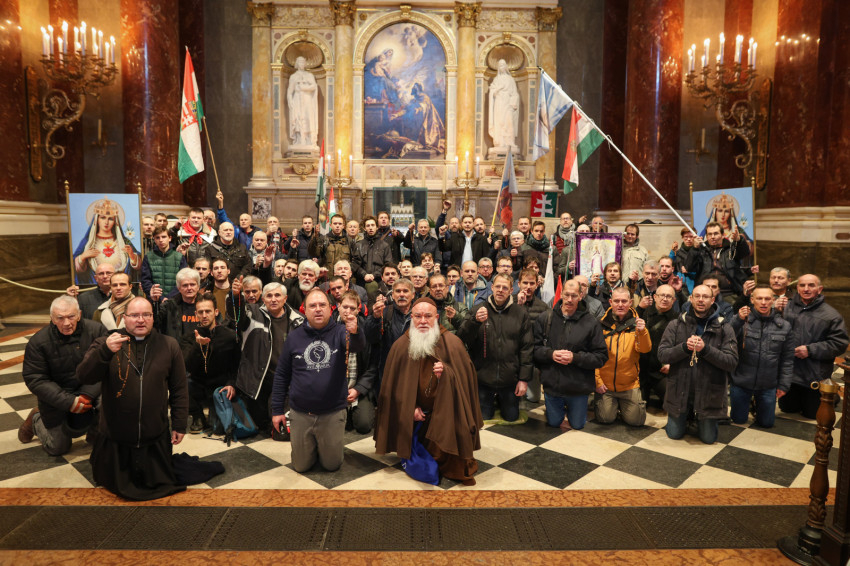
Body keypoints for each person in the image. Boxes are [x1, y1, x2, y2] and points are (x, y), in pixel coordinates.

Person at [76, 296, 189, 500]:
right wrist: (105, 352)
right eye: (135, 315)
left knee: (159, 481)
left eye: (146, 315)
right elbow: (84, 376)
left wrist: (179, 424)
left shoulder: (169, 345)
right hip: (117, 435)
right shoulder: (106, 342)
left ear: (153, 318)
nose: (141, 320)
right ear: (124, 318)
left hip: (154, 433)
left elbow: (179, 388)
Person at [374, 297, 483, 485]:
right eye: (418, 316)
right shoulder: (401, 346)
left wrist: (446, 375)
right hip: (415, 419)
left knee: (456, 466)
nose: (423, 321)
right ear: (412, 317)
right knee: (425, 464)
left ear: (437, 317)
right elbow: (393, 388)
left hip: (447, 416)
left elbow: (466, 386)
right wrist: (409, 407)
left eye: (428, 316)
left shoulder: (453, 343)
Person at [271, 289, 362, 472]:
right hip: (301, 412)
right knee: (300, 466)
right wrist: (277, 410)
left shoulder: (341, 332)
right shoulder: (294, 337)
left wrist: (355, 332)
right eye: (312, 305)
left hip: (332, 412)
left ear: (331, 308)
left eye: (322, 305)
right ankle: (313, 449)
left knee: (332, 465)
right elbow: (281, 374)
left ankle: (325, 448)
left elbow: (356, 346)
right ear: (304, 310)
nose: (318, 309)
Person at [18, 296, 107, 455]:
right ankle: (36, 419)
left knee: (108, 400)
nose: (66, 323)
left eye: (71, 316)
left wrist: (87, 394)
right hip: (57, 397)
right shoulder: (38, 342)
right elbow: (35, 379)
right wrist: (69, 401)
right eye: (60, 318)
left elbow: (106, 366)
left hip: (90, 391)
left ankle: (96, 435)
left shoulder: (97, 331)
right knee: (58, 448)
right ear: (52, 318)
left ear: (79, 315)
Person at [659, 284, 738, 444]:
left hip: (709, 392)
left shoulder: (724, 327)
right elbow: (662, 354)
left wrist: (706, 349)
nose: (701, 300)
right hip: (680, 389)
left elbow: (731, 362)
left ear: (712, 300)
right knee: (674, 434)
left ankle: (698, 418)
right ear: (691, 298)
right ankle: (688, 415)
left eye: (705, 296)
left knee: (708, 439)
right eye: (697, 296)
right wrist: (684, 348)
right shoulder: (676, 324)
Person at [533, 281, 608, 430]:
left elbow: (601, 357)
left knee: (577, 425)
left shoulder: (591, 323)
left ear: (581, 296)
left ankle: (572, 410)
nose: (569, 299)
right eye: (566, 295)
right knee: (554, 423)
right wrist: (550, 354)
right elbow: (534, 349)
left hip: (578, 387)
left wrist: (575, 358)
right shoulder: (546, 318)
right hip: (553, 385)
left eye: (574, 296)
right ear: (561, 294)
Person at [232, 279, 304, 434]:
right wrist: (236, 297)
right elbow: (237, 317)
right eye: (269, 296)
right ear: (263, 299)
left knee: (282, 431)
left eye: (277, 295)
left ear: (285, 298)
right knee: (259, 423)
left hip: (286, 381)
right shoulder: (252, 313)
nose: (273, 299)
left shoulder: (298, 319)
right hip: (258, 380)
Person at [458, 273, 532, 422]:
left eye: (505, 287)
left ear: (511, 290)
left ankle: (503, 401)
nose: (500, 290)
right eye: (497, 286)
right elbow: (461, 337)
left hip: (509, 378)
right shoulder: (478, 309)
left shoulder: (521, 313)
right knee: (483, 417)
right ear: (491, 287)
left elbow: (527, 348)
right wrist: (474, 321)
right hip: (483, 378)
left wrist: (523, 379)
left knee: (511, 417)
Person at [779, 274, 849, 419]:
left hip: (813, 374)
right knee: (787, 408)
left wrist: (810, 350)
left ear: (819, 289)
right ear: (797, 288)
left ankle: (833, 395)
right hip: (790, 373)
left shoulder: (831, 315)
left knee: (812, 414)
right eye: (802, 285)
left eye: (811, 285)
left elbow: (840, 343)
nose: (806, 289)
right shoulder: (786, 308)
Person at [729, 287, 794, 428]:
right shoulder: (742, 320)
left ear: (773, 300)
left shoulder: (784, 326)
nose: (763, 302)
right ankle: (748, 404)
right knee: (738, 420)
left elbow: (787, 358)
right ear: (752, 300)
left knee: (766, 423)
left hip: (767, 383)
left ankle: (756, 406)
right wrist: (738, 320)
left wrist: (783, 384)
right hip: (742, 381)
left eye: (767, 299)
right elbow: (726, 337)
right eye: (759, 298)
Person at [180, 293, 240, 434]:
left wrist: (231, 384)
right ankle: (197, 417)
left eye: (208, 311)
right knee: (183, 383)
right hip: (198, 384)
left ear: (216, 312)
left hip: (220, 387)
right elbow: (187, 366)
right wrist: (198, 346)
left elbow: (237, 365)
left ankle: (215, 414)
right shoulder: (189, 337)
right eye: (200, 312)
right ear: (196, 314)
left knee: (219, 429)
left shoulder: (230, 336)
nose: (204, 315)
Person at [594, 287, 650, 427]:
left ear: (630, 302)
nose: (620, 305)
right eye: (617, 301)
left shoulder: (638, 324)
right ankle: (613, 405)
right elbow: (593, 355)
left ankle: (621, 406)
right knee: (605, 418)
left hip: (629, 385)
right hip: (606, 385)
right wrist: (597, 381)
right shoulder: (600, 324)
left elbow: (645, 349)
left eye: (624, 301)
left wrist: (643, 332)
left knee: (637, 421)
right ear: (610, 302)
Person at [336, 290, 379, 434]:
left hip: (358, 386)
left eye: (352, 308)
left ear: (358, 310)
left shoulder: (366, 329)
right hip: (335, 388)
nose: (348, 311)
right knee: (336, 425)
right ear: (338, 306)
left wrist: (358, 389)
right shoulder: (329, 327)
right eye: (345, 307)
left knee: (364, 425)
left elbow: (373, 365)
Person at [73, 198, 141, 285]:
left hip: (120, 284)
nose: (106, 222)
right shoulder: (88, 242)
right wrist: (83, 257)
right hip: (95, 283)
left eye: (110, 219)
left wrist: (132, 256)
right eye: (103, 218)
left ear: (115, 222)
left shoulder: (123, 241)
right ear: (97, 220)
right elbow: (76, 267)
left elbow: (138, 265)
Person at [364, 279, 415, 394]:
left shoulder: (419, 315)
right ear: (392, 295)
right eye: (398, 291)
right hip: (389, 369)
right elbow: (371, 338)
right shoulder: (384, 312)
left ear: (413, 295)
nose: (401, 294)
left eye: (405, 291)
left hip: (413, 369)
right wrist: (375, 318)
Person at [687, 221, 751, 301]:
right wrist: (694, 249)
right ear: (706, 236)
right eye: (710, 234)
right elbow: (689, 267)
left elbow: (745, 253)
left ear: (722, 235)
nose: (712, 237)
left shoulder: (731, 249)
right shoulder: (700, 250)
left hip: (729, 293)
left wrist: (739, 240)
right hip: (704, 294)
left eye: (716, 233)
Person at [638, 284, 679, 406]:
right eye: (662, 295)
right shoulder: (643, 313)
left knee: (673, 402)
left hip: (661, 371)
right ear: (655, 297)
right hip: (640, 370)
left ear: (674, 300)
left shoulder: (678, 320)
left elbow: (681, 346)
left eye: (669, 296)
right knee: (637, 408)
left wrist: (673, 364)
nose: (665, 299)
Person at [515, 268, 549, 403]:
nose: (528, 287)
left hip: (531, 357)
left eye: (531, 283)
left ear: (537, 285)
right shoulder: (509, 302)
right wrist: (518, 305)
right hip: (510, 355)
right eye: (525, 283)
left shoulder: (543, 307)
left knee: (534, 398)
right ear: (519, 284)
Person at [151, 267, 201, 341]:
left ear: (198, 286)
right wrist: (155, 302)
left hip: (200, 346)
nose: (189, 288)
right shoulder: (169, 305)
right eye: (185, 285)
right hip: (176, 347)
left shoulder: (206, 304)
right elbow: (155, 323)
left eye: (192, 284)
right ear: (178, 288)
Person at [140, 227, 188, 300]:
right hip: (155, 300)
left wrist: (169, 298)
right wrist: (160, 298)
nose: (161, 240)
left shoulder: (179, 257)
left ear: (170, 238)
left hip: (176, 300)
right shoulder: (148, 257)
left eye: (164, 237)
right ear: (154, 239)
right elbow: (145, 281)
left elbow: (183, 280)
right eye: (157, 238)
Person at [352, 216, 393, 290]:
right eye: (368, 226)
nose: (370, 228)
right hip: (361, 282)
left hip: (380, 281)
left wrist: (374, 275)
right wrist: (364, 275)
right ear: (364, 228)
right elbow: (355, 264)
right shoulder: (358, 245)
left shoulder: (384, 245)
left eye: (373, 225)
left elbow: (387, 264)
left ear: (377, 227)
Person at [287, 56, 319, 148]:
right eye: (299, 62)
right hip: (297, 99)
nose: (301, 64)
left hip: (307, 99)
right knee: (297, 118)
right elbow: (290, 91)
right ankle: (299, 139)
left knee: (308, 118)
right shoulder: (293, 77)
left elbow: (314, 86)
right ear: (296, 64)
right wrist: (290, 101)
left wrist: (304, 88)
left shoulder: (309, 75)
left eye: (303, 62)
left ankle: (309, 140)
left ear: (305, 64)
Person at [488, 59, 519, 150]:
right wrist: (496, 90)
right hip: (499, 103)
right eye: (500, 65)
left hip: (508, 103)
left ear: (506, 67)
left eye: (503, 65)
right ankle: (500, 142)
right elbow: (492, 92)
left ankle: (510, 142)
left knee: (509, 122)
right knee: (499, 122)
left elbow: (515, 93)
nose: (502, 67)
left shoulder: (511, 80)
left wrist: (513, 103)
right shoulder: (496, 79)